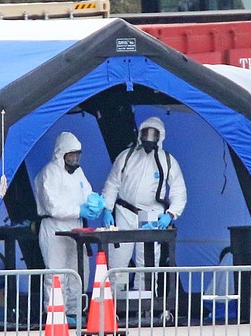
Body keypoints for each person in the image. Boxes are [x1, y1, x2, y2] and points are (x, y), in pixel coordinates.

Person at [101, 116, 187, 292]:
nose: (149, 138)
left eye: (153, 134)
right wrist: (107, 209)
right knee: (119, 260)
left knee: (147, 261)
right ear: (140, 134)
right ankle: (114, 302)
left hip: (151, 213)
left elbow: (179, 191)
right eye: (146, 133)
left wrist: (170, 214)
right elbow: (112, 184)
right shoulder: (127, 156)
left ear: (160, 137)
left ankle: (144, 303)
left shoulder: (167, 161)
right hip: (125, 211)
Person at [34, 132, 104, 324]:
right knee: (56, 273)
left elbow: (87, 193)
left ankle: (74, 312)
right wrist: (78, 210)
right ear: (61, 154)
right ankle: (55, 314)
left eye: (77, 155)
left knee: (78, 272)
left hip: (76, 228)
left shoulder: (78, 173)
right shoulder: (49, 173)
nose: (74, 159)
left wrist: (97, 204)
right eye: (70, 155)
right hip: (55, 227)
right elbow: (53, 206)